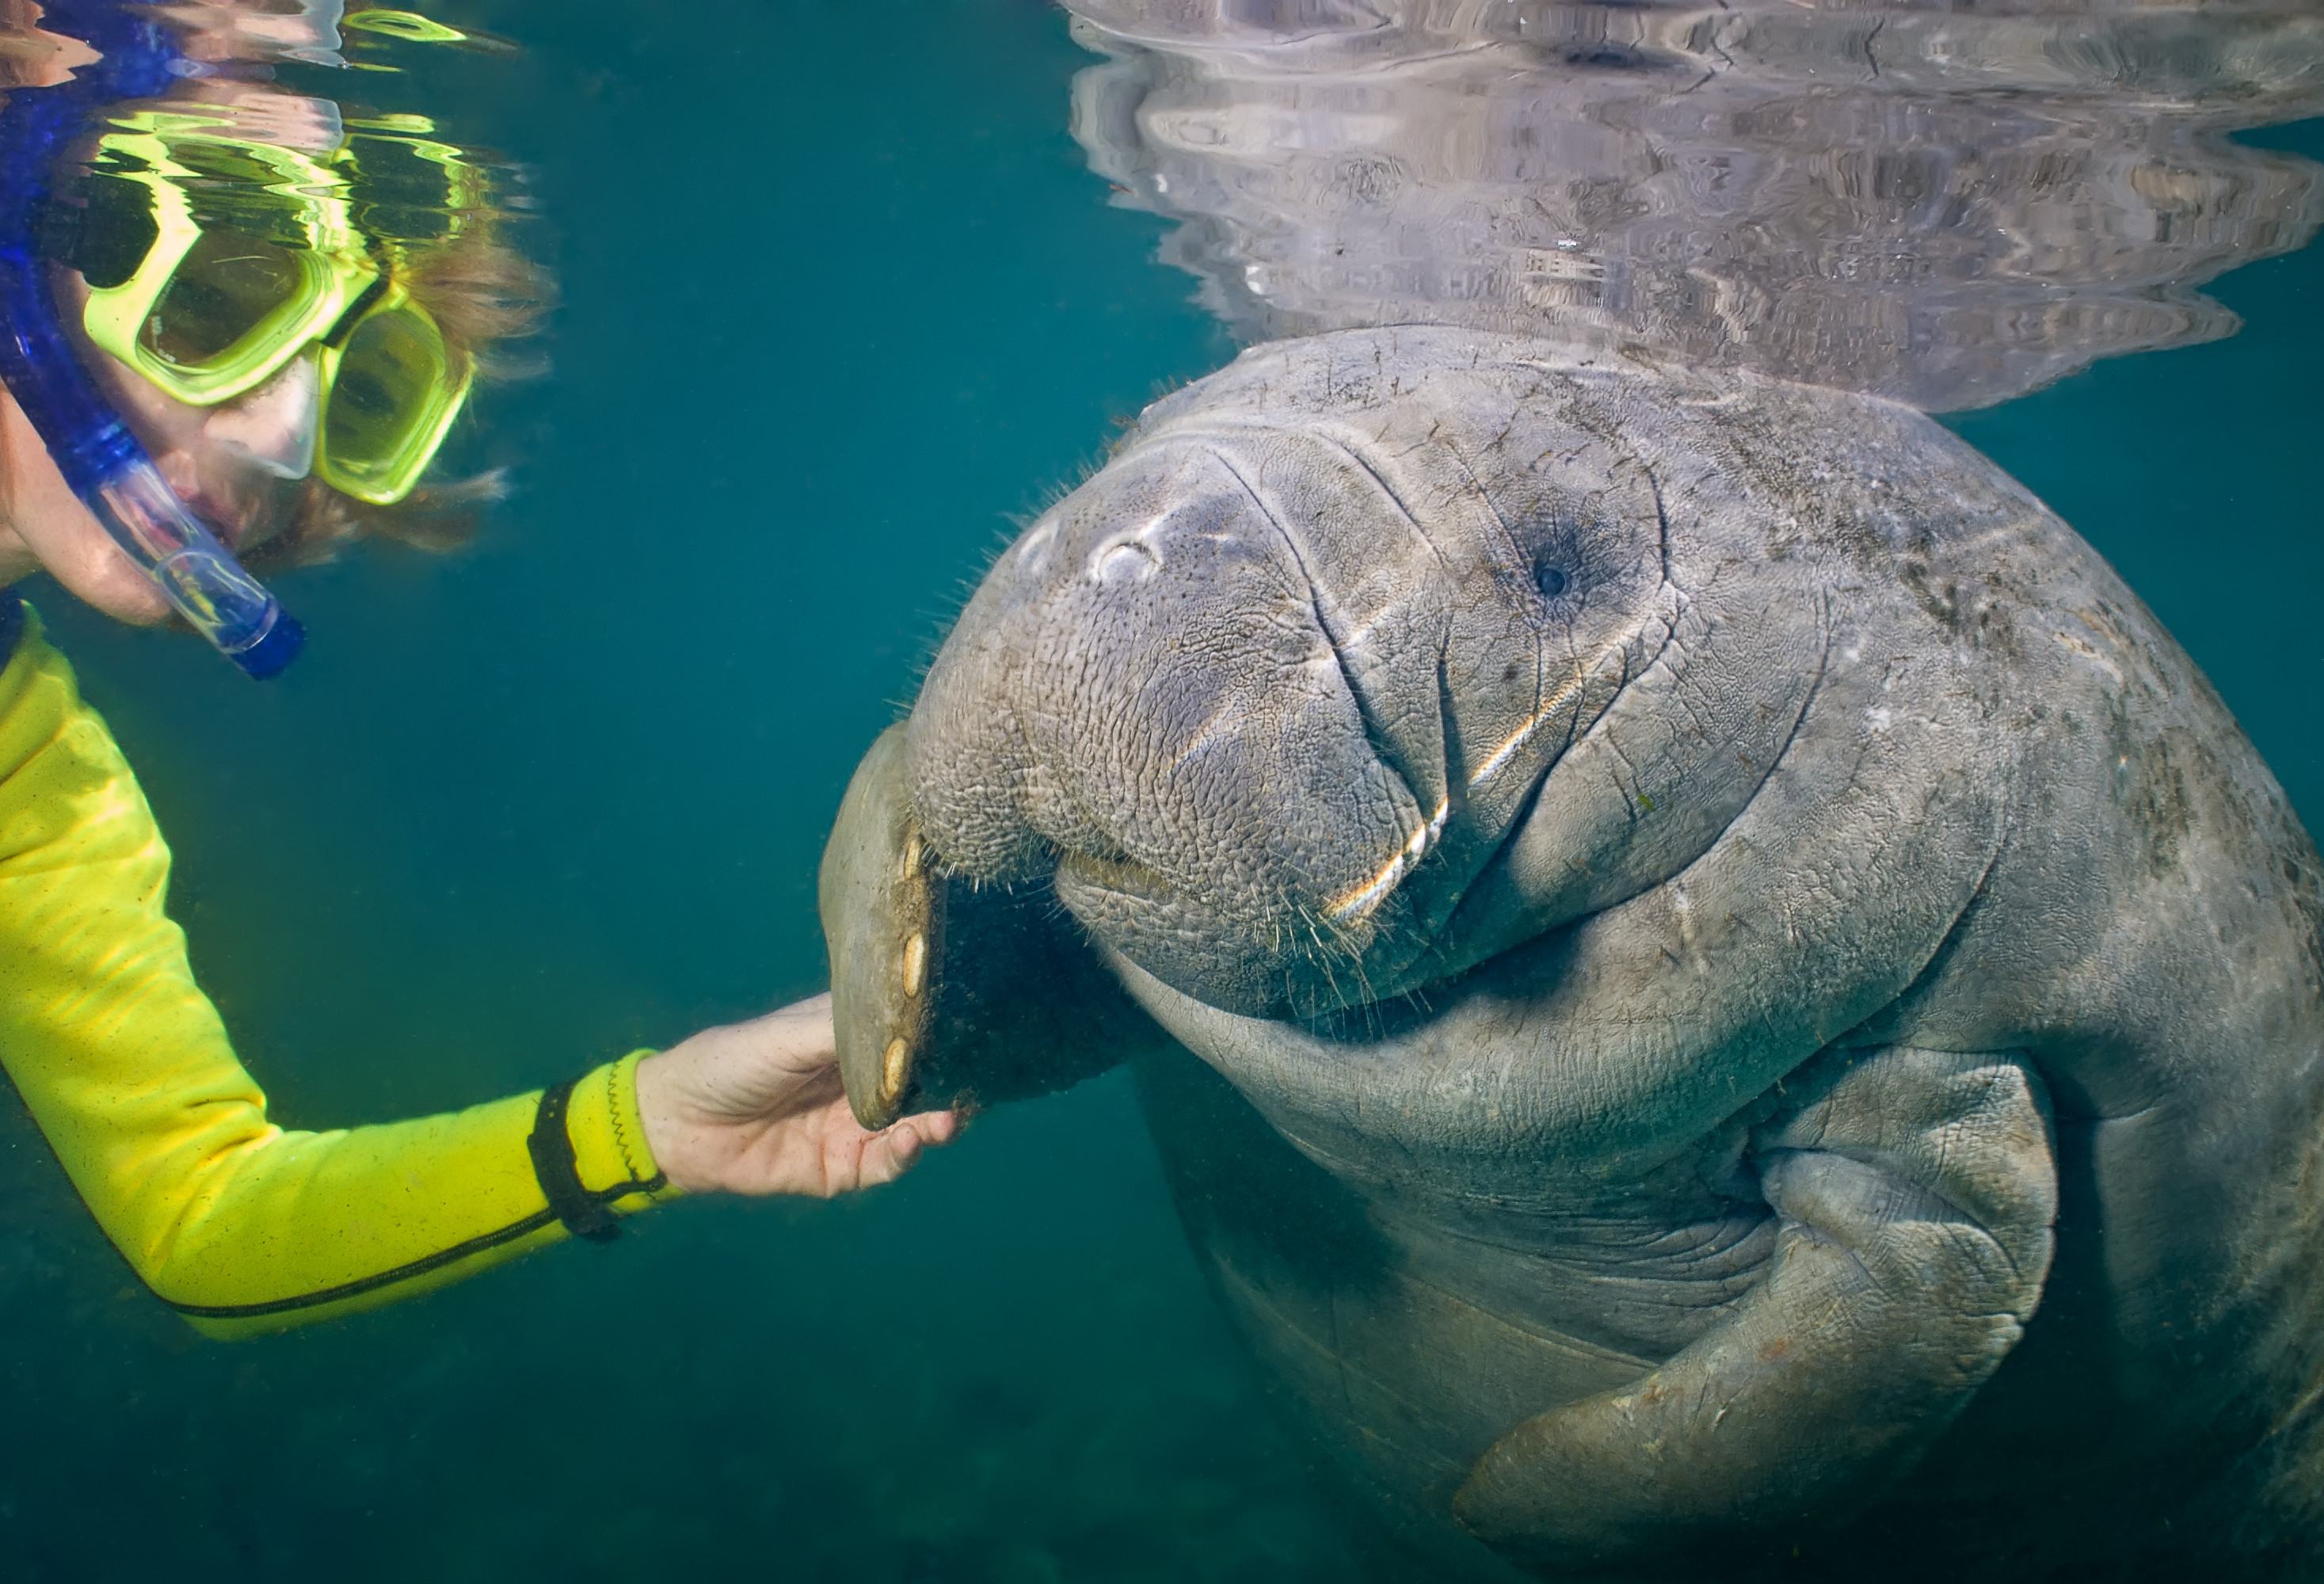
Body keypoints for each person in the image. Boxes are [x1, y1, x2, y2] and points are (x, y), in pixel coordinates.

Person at [0, 0, 958, 1339]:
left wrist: (651, 1125)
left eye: (363, 388)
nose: (285, 439)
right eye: (222, 293)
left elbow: (200, 1217)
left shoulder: (27, 782)